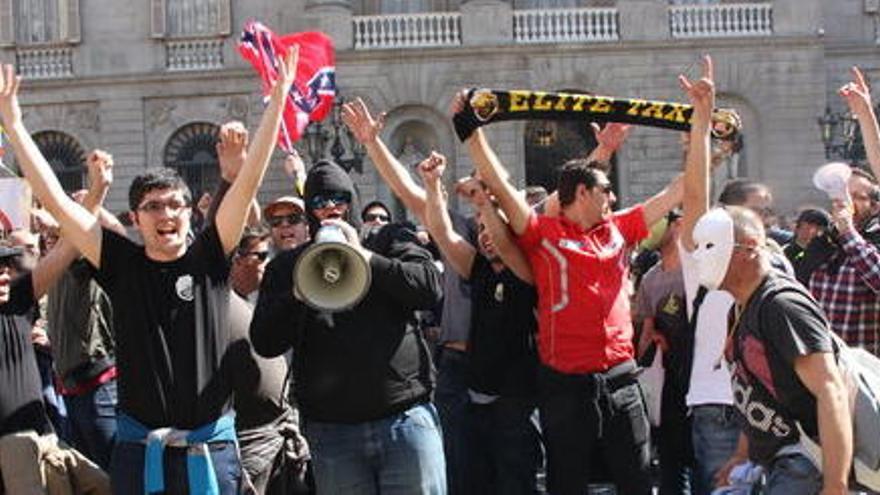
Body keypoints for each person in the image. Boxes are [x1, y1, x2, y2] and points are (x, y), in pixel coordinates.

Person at [0, 45, 298, 493]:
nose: (168, 214)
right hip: (141, 455)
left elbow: (250, 181)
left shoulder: (210, 258)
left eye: (176, 204)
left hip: (211, 454)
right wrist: (16, 126)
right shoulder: (121, 262)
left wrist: (276, 104)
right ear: (135, 219)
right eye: (153, 207)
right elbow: (59, 203)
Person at [457, 81, 688, 495]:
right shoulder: (540, 232)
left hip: (620, 379)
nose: (613, 197)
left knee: (637, 478)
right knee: (567, 482)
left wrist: (702, 136)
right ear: (582, 193)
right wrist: (471, 130)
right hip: (565, 385)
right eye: (606, 190)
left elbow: (676, 192)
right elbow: (497, 182)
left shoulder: (620, 226)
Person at [250, 159, 445, 494]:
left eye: (339, 199)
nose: (330, 209)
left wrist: (364, 256)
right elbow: (265, 341)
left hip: (404, 421)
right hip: (333, 434)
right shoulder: (287, 267)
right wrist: (297, 295)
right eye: (319, 203)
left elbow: (428, 288)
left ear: (353, 200)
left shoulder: (389, 238)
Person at [690, 206, 852, 494]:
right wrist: (742, 454)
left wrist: (835, 486)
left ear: (750, 247)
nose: (700, 256)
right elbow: (755, 391)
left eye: (710, 246)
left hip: (805, 460)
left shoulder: (782, 305)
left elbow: (831, 391)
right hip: (776, 461)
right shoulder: (741, 307)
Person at [419, 152, 541, 494]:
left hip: (516, 401)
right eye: (481, 230)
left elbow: (506, 244)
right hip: (477, 397)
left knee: (515, 482)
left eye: (493, 229)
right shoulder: (480, 269)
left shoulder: (524, 271)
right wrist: (432, 185)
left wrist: (484, 199)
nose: (486, 235)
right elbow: (442, 233)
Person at [45, 150, 126, 470]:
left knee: (112, 473)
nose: (50, 237)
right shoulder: (51, 266)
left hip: (100, 387)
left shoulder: (79, 261)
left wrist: (95, 195)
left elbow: (114, 235)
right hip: (73, 389)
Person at [798, 67, 880, 357]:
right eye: (845, 192)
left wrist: (866, 114)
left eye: (858, 196)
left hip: (867, 373)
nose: (849, 201)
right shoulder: (825, 243)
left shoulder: (872, 238)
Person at [634, 209, 693, 495]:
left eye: (658, 220)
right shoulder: (650, 279)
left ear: (678, 224)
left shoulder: (698, 272)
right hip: (666, 389)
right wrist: (650, 345)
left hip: (702, 388)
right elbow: (645, 332)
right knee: (671, 465)